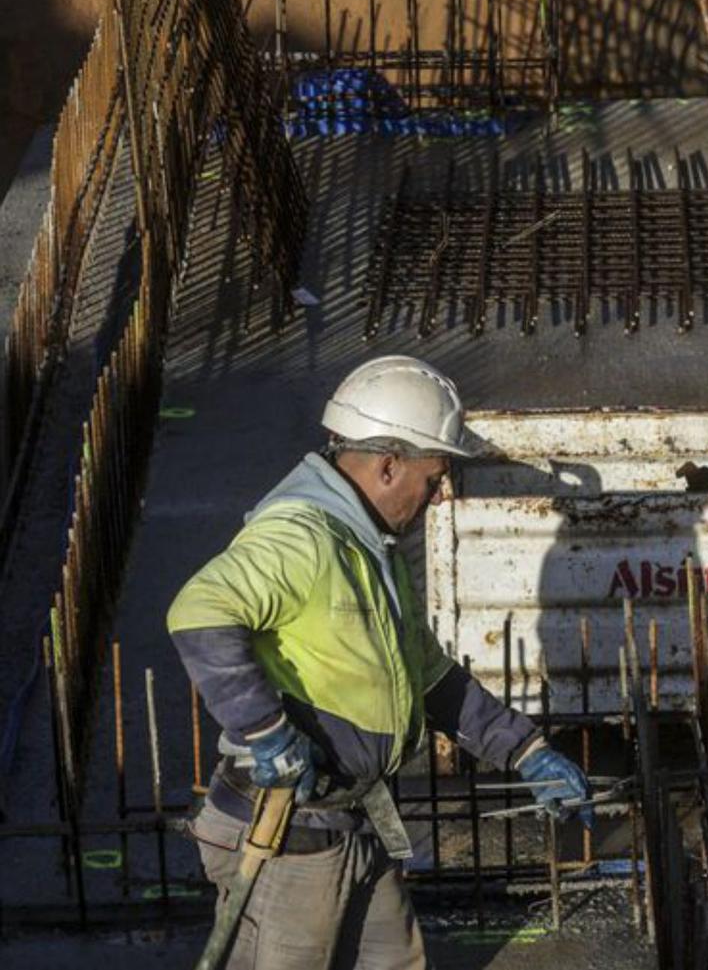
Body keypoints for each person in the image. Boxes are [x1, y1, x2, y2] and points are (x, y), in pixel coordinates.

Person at [168, 356, 592, 969]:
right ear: (388, 465)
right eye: (433, 475)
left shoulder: (374, 551)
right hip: (290, 838)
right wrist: (265, 730)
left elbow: (429, 675)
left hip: (353, 824)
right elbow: (198, 611)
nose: (438, 492)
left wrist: (525, 751)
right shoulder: (303, 537)